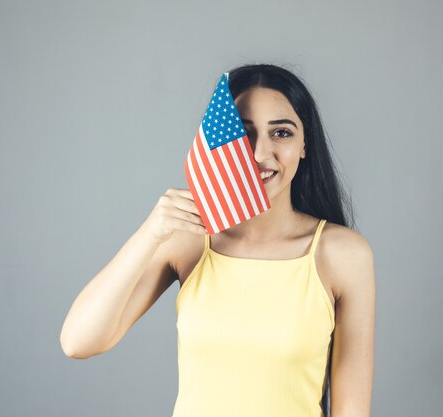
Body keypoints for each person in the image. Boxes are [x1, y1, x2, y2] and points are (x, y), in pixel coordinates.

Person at [60, 63, 375, 417]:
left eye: (282, 133)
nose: (259, 153)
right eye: (243, 131)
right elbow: (77, 341)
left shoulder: (342, 254)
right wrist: (150, 233)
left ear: (305, 145)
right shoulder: (189, 240)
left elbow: (351, 410)